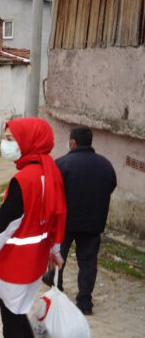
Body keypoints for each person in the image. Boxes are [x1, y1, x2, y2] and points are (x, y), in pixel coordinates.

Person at [0, 118, 66, 338]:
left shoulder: (24, 179)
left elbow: (2, 226)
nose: (6, 144)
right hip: (36, 262)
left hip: (15, 264)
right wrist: (55, 250)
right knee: (19, 314)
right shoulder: (51, 173)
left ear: (28, 141)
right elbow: (57, 216)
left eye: (10, 139)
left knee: (11, 322)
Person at [42, 126, 117, 315]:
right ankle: (85, 302)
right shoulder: (105, 165)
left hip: (65, 223)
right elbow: (111, 186)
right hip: (93, 224)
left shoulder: (62, 164)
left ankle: (56, 287)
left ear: (73, 142)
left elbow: (52, 192)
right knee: (88, 262)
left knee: (59, 254)